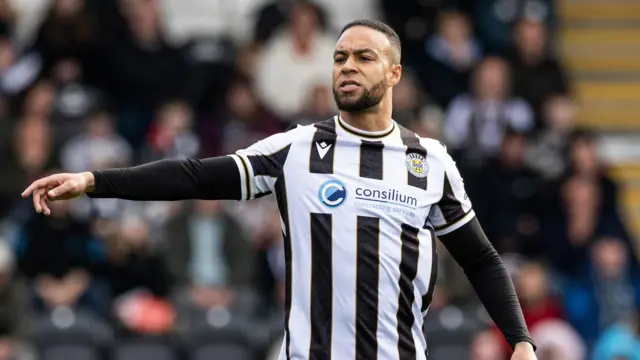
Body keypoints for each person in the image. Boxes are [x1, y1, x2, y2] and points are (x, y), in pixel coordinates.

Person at [22, 20, 537, 360]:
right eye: (339, 58)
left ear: (395, 73)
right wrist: (94, 182)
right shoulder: (298, 149)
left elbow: (482, 261)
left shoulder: (430, 162)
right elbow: (197, 176)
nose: (348, 67)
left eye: (363, 57)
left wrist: (520, 341)